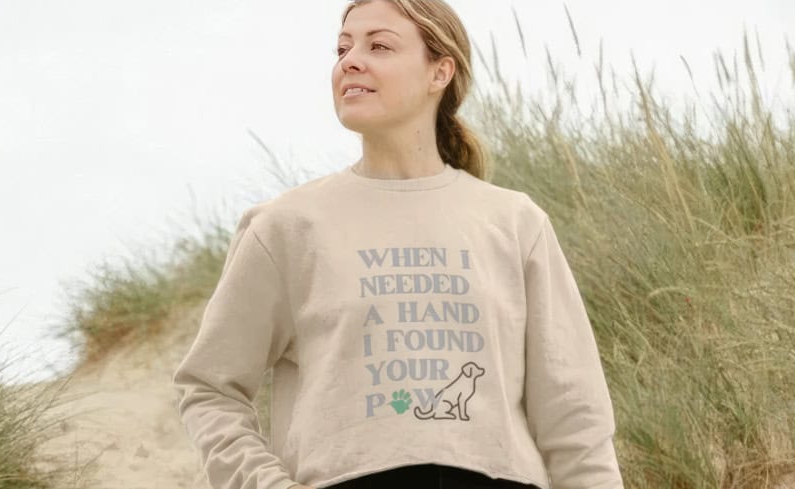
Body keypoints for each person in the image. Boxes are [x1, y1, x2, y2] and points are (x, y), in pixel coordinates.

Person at [171, 0, 624, 488]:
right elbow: (210, 387)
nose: (350, 60)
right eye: (342, 48)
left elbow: (576, 422)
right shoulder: (287, 227)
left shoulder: (514, 223)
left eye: (379, 46)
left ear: (440, 72)